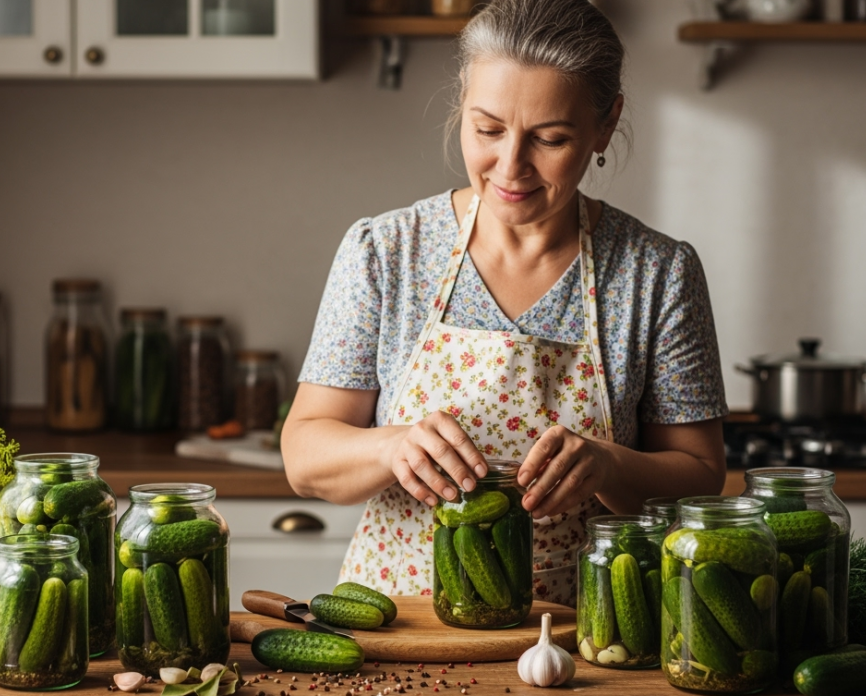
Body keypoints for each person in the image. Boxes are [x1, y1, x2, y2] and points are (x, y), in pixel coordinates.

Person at [281, 0, 728, 603]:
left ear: (605, 125)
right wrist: (392, 446)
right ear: (462, 103)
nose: (510, 167)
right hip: (398, 625)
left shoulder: (659, 273)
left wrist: (612, 467)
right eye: (488, 129)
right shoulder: (385, 252)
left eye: (550, 138)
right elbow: (305, 455)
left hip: (587, 635)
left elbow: (701, 476)